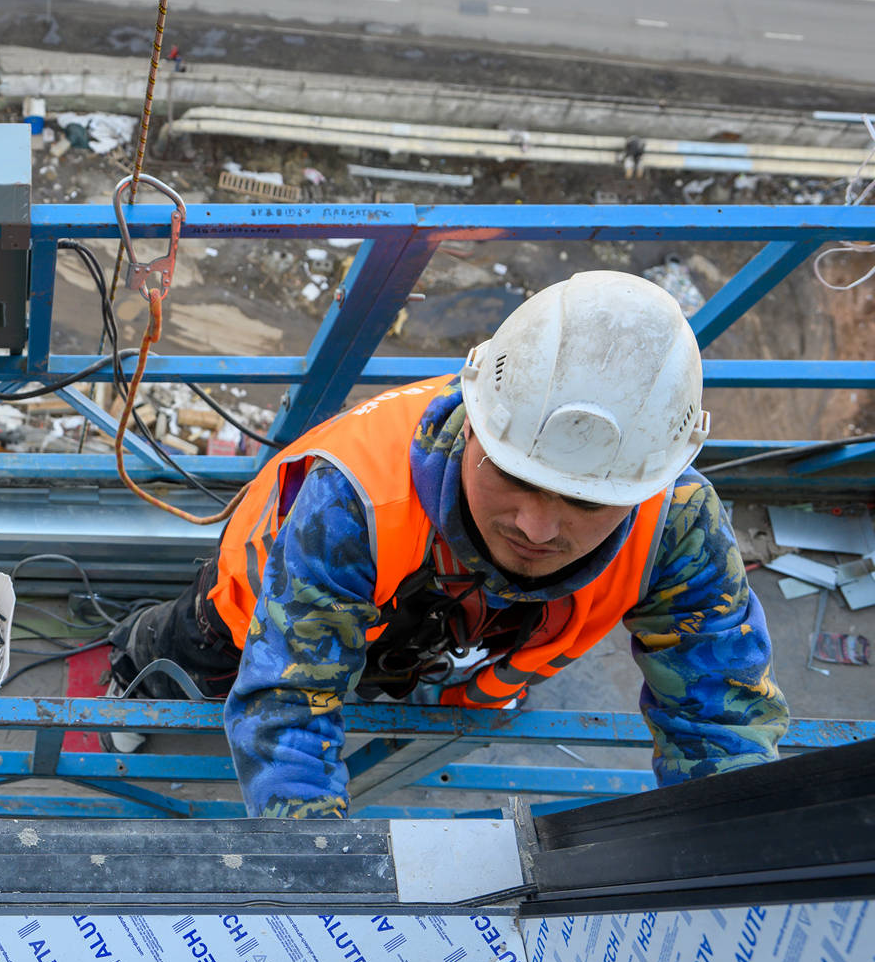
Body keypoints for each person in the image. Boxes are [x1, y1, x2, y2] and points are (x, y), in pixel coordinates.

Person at [106, 270, 788, 817]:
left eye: (586, 501)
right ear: (474, 433)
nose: (537, 528)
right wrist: (310, 858)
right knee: (200, 646)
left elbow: (721, 719)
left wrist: (727, 849)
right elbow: (290, 707)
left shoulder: (675, 521)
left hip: (454, 631)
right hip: (264, 596)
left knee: (436, 663)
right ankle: (132, 660)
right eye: (516, 477)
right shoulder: (356, 500)